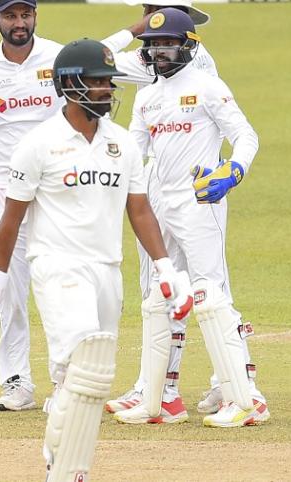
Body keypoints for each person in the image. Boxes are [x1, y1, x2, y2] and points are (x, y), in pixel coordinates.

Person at [0, 39, 192, 480]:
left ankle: (63, 459)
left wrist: (165, 267)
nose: (108, 89)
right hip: (57, 267)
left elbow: (139, 209)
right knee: (81, 362)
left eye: (109, 81)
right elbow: (11, 217)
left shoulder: (121, 144)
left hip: (106, 269)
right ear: (70, 84)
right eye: (99, 81)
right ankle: (63, 470)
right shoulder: (39, 143)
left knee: (95, 373)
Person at [0, 0, 156, 413]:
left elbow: (96, 57)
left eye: (26, 15)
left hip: (64, 181)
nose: (19, 24)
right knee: (11, 290)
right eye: (11, 16)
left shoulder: (58, 56)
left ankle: (70, 378)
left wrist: (134, 29)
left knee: (67, 281)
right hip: (8, 184)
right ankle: (17, 380)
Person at [115, 7, 269, 427]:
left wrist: (232, 172)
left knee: (211, 294)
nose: (160, 52)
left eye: (167, 44)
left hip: (201, 197)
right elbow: (133, 151)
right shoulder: (146, 97)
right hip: (157, 203)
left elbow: (245, 136)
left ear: (187, 45)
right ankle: (161, 398)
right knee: (159, 297)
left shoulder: (207, 86)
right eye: (153, 45)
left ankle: (246, 395)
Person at [105, 0, 224, 418]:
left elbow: (93, 60)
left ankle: (216, 386)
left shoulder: (164, 58)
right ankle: (167, 388)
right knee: (171, 285)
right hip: (163, 176)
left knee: (194, 286)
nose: (161, 40)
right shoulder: (165, 59)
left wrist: (134, 30)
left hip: (187, 181)